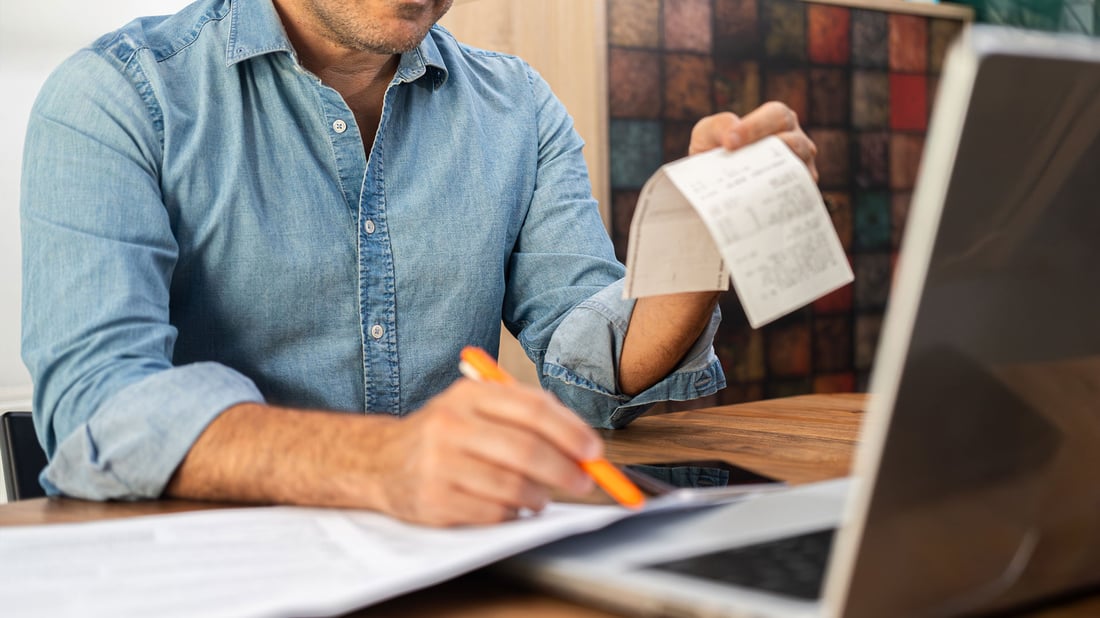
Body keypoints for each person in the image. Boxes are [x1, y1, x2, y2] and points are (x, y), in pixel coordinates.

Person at [20, 0, 817, 526]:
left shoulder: (519, 106)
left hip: (454, 559)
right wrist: (385, 460)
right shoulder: (116, 95)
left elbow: (590, 372)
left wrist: (694, 235)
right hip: (211, 576)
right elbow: (96, 406)